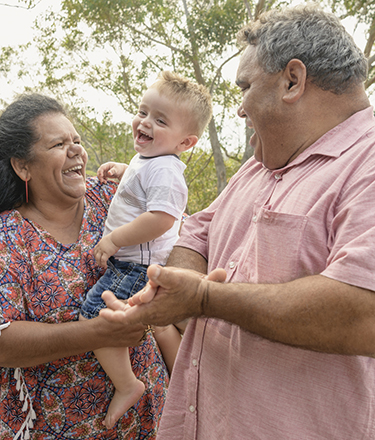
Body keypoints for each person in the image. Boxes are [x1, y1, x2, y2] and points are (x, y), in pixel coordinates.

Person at [100, 5, 375, 440]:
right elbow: (196, 232)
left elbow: (365, 313)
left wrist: (206, 300)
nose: (242, 109)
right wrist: (174, 285)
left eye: (245, 86)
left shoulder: (367, 163)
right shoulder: (259, 165)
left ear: (292, 81)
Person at [0, 93, 170, 439]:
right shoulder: (8, 236)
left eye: (76, 140)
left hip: (150, 417)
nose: (76, 149)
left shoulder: (113, 197)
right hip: (55, 426)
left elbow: (179, 231)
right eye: (59, 144)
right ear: (23, 166)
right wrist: (98, 332)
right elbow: (3, 339)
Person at [79, 71, 213, 429]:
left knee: (96, 316)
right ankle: (178, 381)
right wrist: (125, 171)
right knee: (159, 323)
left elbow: (162, 218)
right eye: (143, 112)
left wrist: (114, 239)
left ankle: (127, 385)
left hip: (135, 265)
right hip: (137, 264)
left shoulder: (167, 170)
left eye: (160, 120)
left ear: (185, 143)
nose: (145, 122)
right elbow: (144, 187)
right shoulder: (152, 161)